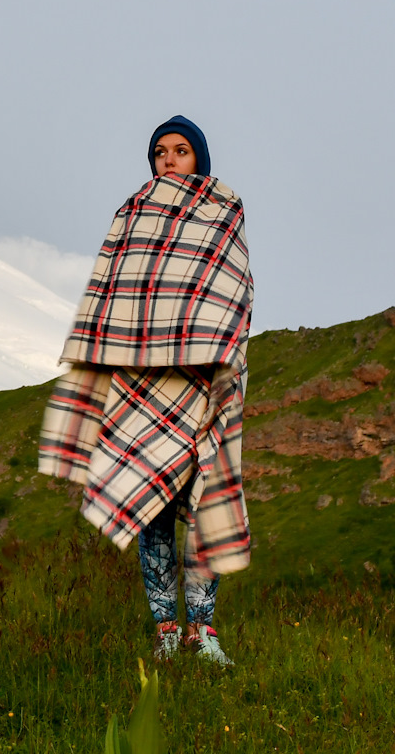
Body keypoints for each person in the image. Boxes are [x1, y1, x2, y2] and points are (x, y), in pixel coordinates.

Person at [37, 115, 253, 666]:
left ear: (199, 158)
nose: (169, 160)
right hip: (142, 385)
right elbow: (115, 292)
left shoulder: (224, 211)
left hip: (199, 381)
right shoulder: (130, 215)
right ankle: (164, 629)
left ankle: (202, 632)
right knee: (151, 509)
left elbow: (232, 293)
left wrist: (209, 355)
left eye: (181, 151)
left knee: (203, 503)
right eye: (161, 151)